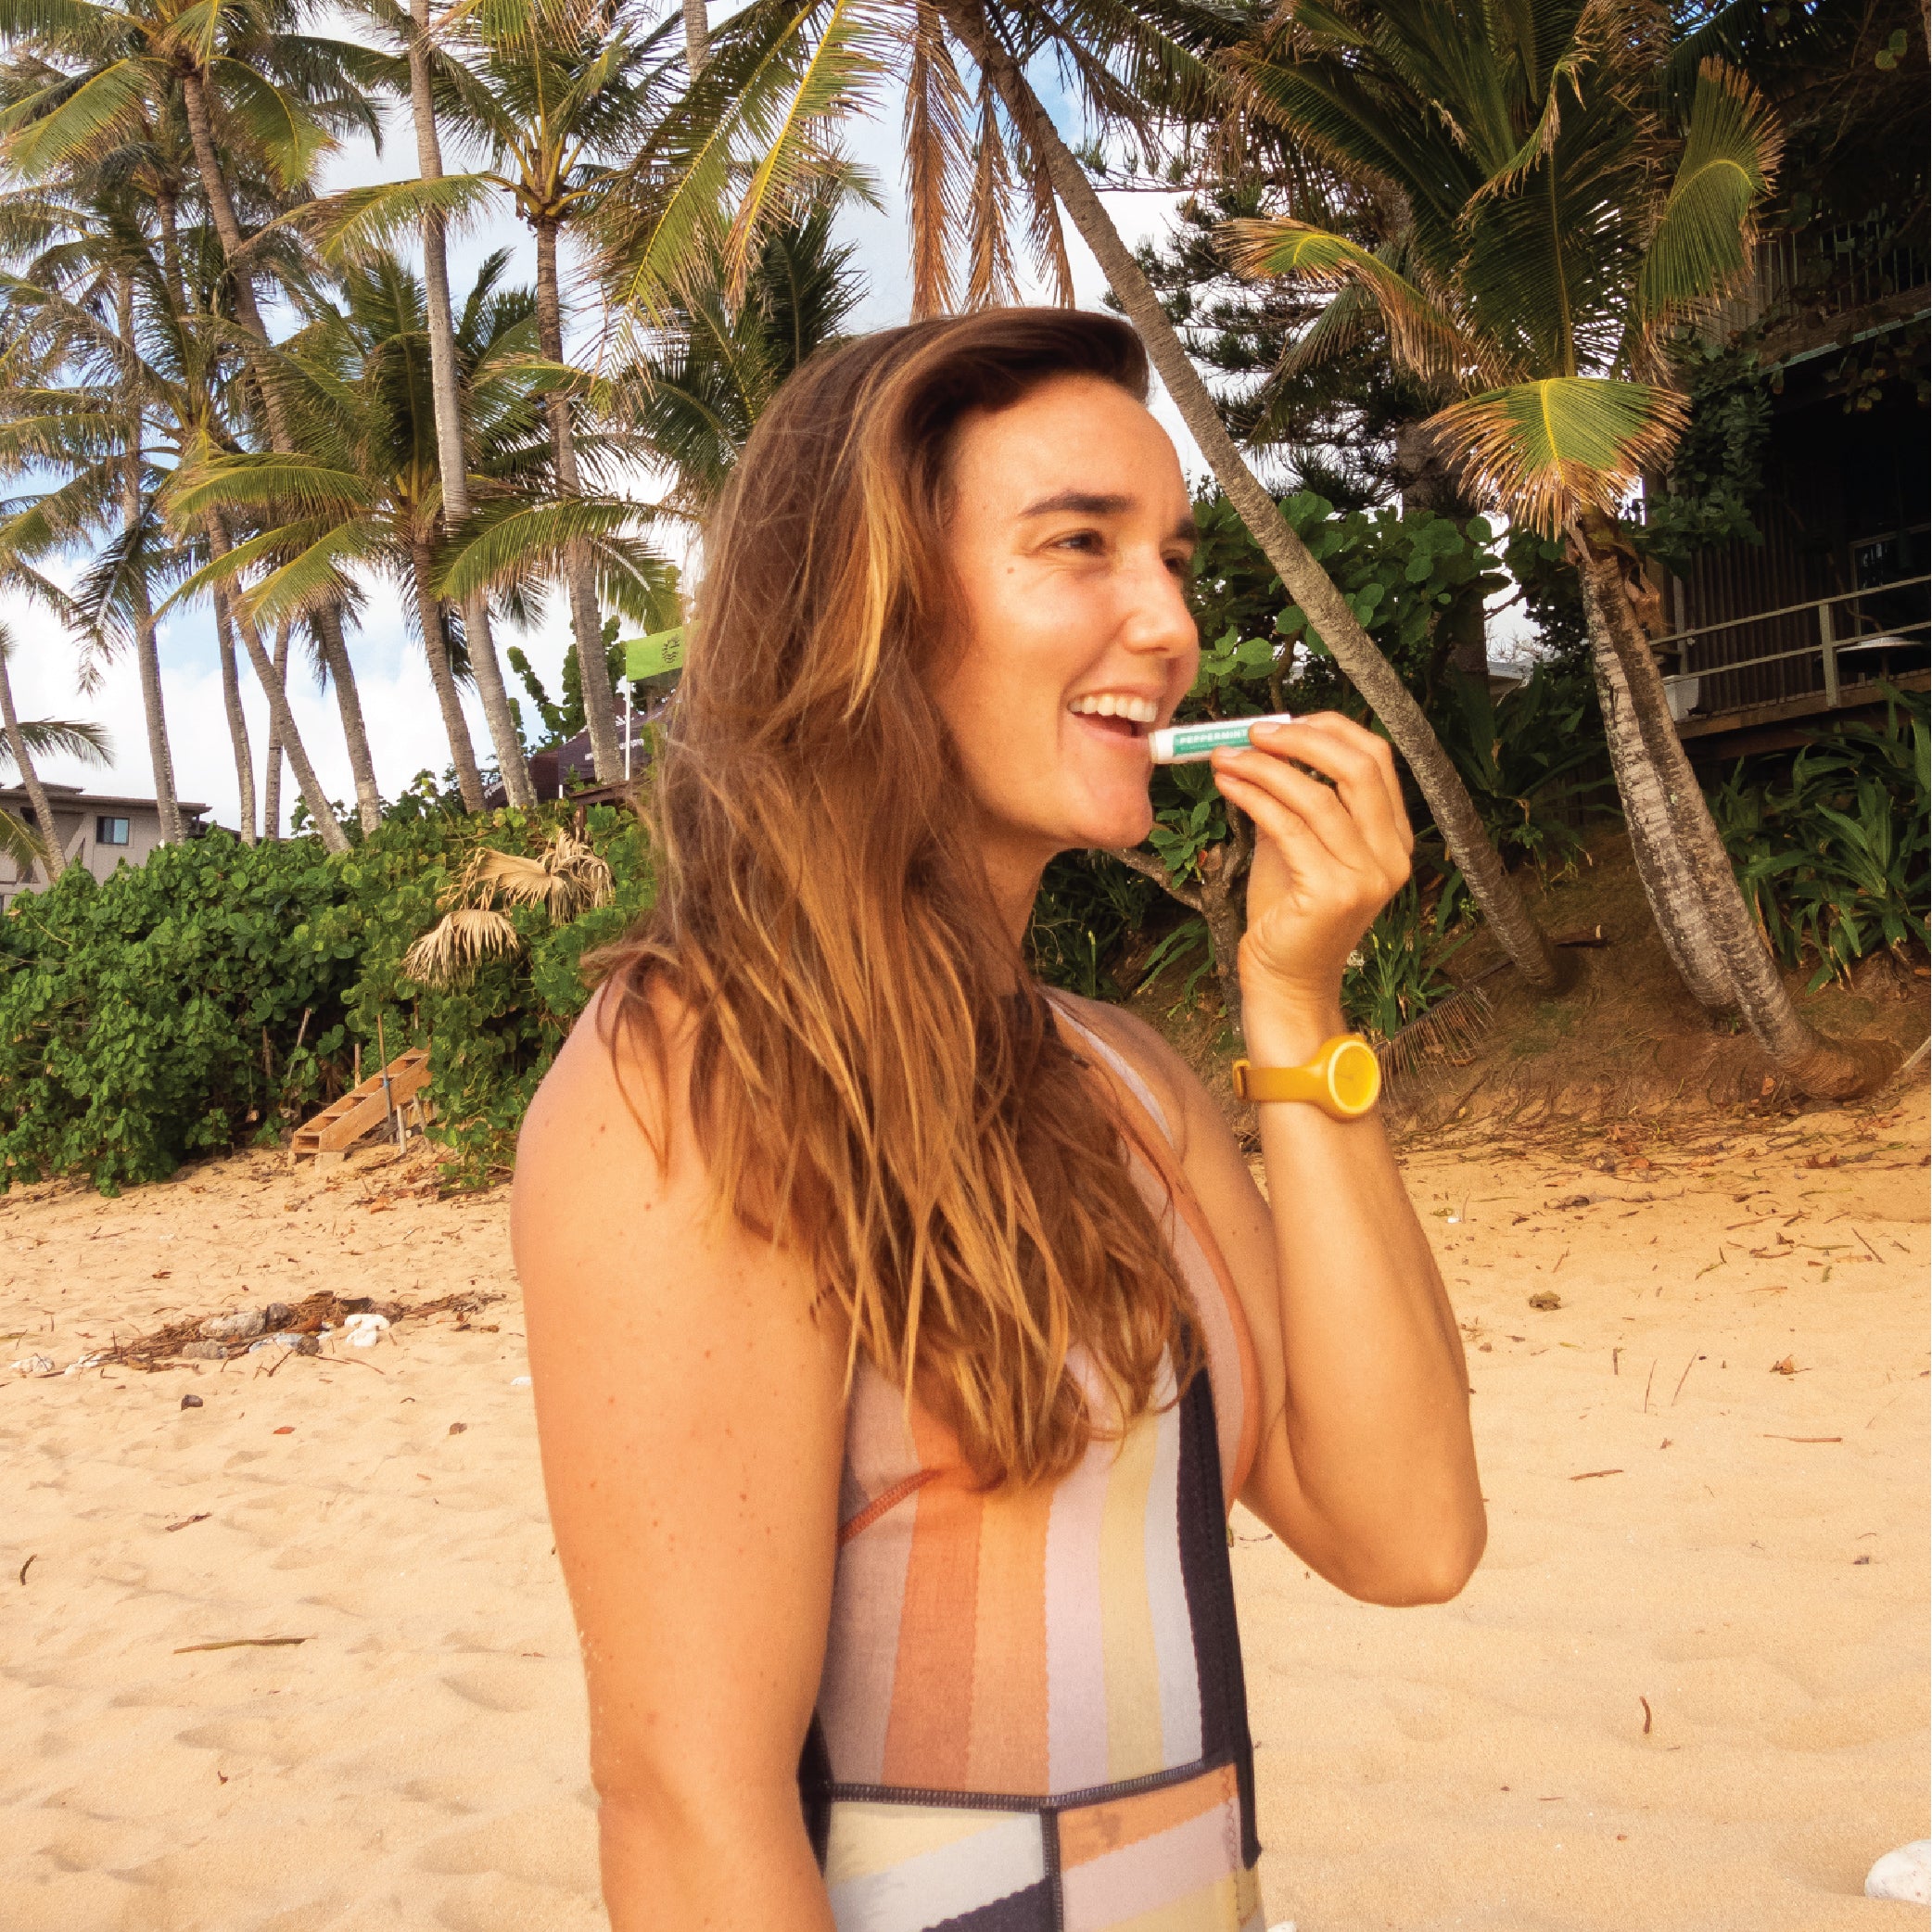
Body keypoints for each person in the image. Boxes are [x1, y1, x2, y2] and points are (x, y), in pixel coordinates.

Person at [512, 309, 1485, 1932]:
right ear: (875, 605)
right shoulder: (697, 1076)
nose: (1168, 621)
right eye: (1079, 546)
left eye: (1170, 556)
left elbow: (1408, 1530)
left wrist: (1297, 1011)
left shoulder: (1133, 1084)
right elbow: (690, 1810)